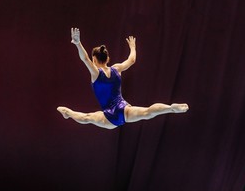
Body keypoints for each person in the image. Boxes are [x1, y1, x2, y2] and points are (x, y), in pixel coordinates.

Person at [57, 28, 189, 129]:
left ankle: (68, 113)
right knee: (147, 112)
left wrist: (78, 43)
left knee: (86, 118)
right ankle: (170, 108)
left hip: (109, 116)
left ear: (94, 60)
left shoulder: (96, 73)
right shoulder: (117, 69)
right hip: (123, 109)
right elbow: (131, 60)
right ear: (108, 59)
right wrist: (133, 48)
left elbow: (84, 59)